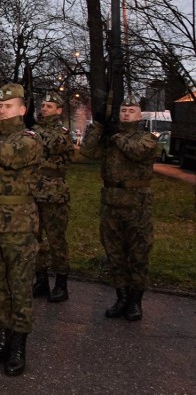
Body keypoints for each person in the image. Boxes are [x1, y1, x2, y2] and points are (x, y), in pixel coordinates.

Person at [0, 83, 42, 377]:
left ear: (23, 109)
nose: (2, 110)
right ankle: (1, 341)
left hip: (18, 224)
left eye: (9, 106)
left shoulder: (29, 139)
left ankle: (17, 348)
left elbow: (9, 156)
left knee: (20, 287)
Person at [80, 95, 157, 321]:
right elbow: (87, 151)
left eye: (131, 110)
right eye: (123, 110)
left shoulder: (147, 138)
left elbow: (137, 152)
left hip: (137, 205)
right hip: (111, 203)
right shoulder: (110, 137)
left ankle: (135, 301)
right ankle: (121, 297)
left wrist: (115, 135)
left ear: (139, 115)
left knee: (138, 254)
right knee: (114, 254)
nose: (126, 114)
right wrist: (98, 124)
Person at [31, 92, 73, 302]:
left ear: (59, 110)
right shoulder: (33, 129)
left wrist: (33, 130)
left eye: (50, 106)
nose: (44, 108)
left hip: (54, 194)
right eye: (43, 105)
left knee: (56, 240)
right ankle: (41, 280)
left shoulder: (62, 132)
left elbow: (49, 144)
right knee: (35, 239)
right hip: (33, 192)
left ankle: (61, 284)